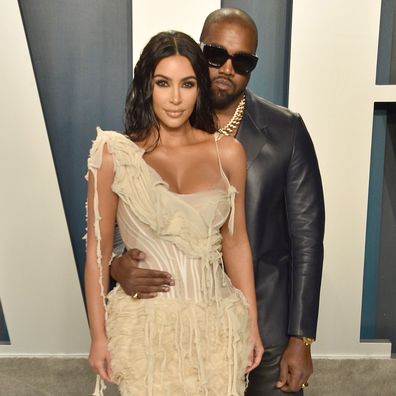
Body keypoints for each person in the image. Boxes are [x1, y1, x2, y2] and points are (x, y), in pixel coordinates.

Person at [110, 8, 325, 396]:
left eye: (242, 61)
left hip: (267, 324)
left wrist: (302, 338)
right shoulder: (157, 127)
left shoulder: (286, 130)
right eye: (215, 55)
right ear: (197, 50)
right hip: (182, 319)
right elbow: (120, 218)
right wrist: (117, 264)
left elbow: (307, 239)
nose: (227, 68)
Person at [85, 30, 263, 396]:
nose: (176, 99)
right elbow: (97, 253)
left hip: (219, 326)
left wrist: (252, 325)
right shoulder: (113, 156)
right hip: (145, 329)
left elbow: (236, 242)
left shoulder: (228, 153)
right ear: (146, 86)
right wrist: (98, 336)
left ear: (200, 89)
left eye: (188, 84)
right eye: (163, 83)